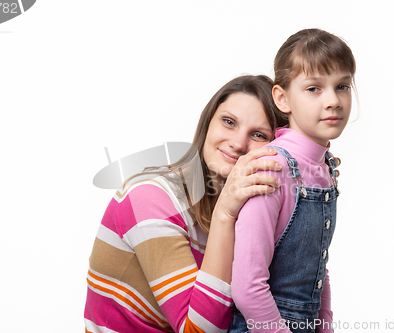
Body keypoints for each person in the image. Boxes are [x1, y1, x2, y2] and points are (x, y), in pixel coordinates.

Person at [84, 74, 291, 332]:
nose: (238, 143)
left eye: (258, 135)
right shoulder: (148, 198)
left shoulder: (250, 211)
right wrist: (224, 214)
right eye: (228, 122)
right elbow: (197, 330)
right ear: (208, 122)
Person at [229, 28, 356, 333]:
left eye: (342, 86)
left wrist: (324, 326)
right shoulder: (273, 167)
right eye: (314, 88)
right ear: (283, 98)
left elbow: (316, 267)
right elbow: (248, 287)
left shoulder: (324, 166)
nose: (333, 101)